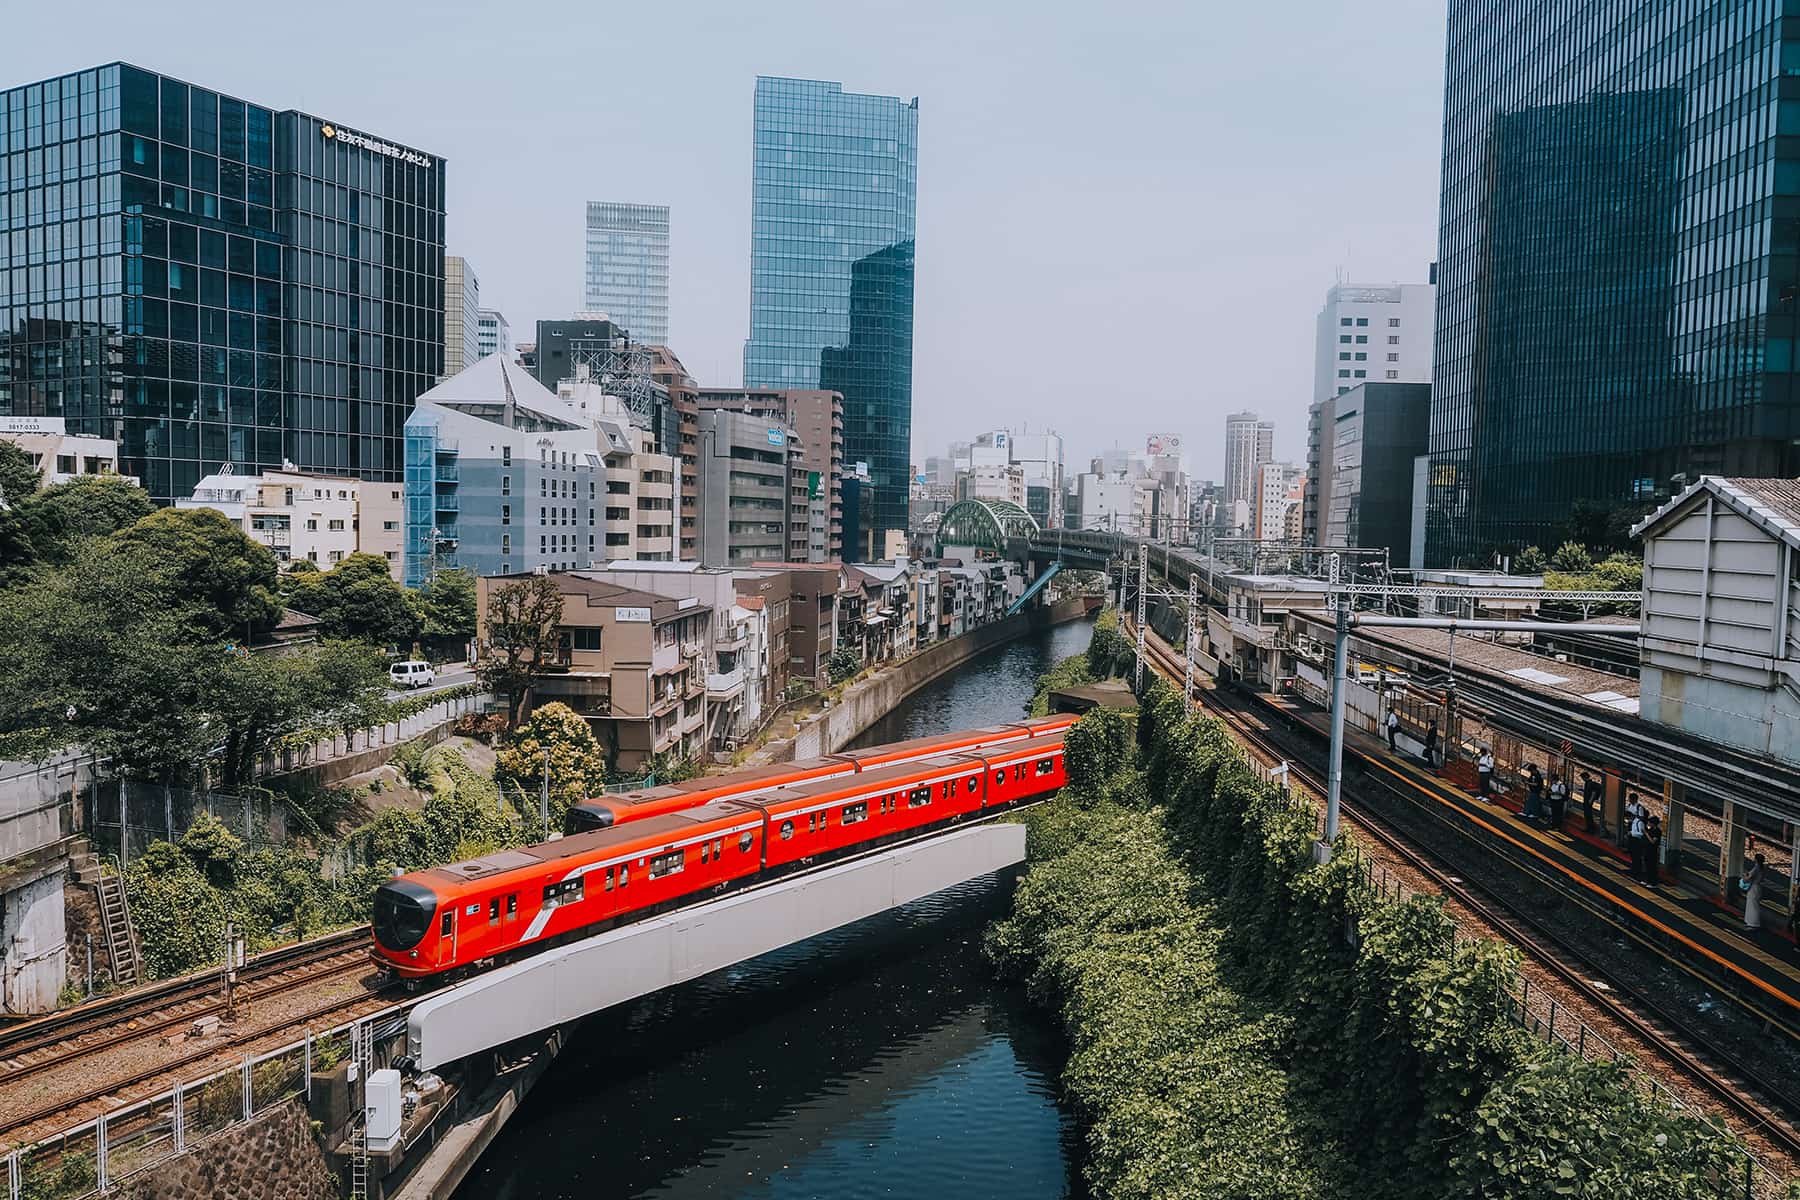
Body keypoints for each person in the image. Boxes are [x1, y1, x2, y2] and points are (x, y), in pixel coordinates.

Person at [1626, 798, 1648, 881]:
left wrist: (1632, 833)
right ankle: (1634, 870)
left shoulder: (1639, 822)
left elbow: (1641, 833)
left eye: (1629, 818)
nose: (1629, 820)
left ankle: (1637, 871)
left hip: (1637, 842)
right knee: (1633, 856)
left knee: (1637, 856)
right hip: (1633, 840)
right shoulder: (1635, 822)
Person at [1743, 854, 1766, 931]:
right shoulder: (1762, 868)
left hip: (1754, 888)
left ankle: (1753, 924)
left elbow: (1748, 878)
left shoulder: (1756, 868)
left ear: (1756, 860)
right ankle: (1751, 923)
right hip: (1758, 887)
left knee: (1752, 906)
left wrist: (1745, 876)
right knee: (1754, 905)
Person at [1643, 814, 1662, 887]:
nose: (1648, 824)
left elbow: (1653, 841)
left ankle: (1653, 882)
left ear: (1653, 823)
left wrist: (1646, 833)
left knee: (1652, 867)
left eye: (1649, 822)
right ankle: (1648, 881)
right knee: (1647, 866)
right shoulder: (1651, 829)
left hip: (1653, 851)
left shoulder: (1657, 831)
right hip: (1647, 850)